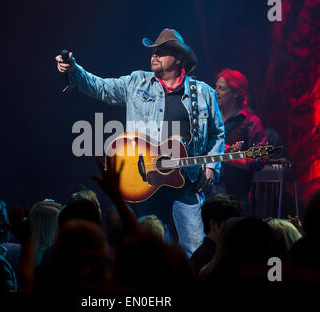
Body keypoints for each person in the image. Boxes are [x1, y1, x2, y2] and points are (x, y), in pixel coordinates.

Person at [56, 28, 225, 257]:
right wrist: (73, 70)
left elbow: (217, 134)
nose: (154, 55)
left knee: (194, 249)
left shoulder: (203, 93)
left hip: (188, 181)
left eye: (161, 52)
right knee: (149, 251)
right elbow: (101, 87)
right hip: (147, 180)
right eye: (153, 51)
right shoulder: (137, 82)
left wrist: (210, 166)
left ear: (179, 59)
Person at [213, 69, 266, 212]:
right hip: (207, 192)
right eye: (216, 87)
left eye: (221, 88)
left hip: (234, 198)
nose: (215, 91)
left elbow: (258, 160)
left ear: (236, 93)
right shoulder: (211, 120)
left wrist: (228, 157)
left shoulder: (251, 123)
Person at [189, 194, 242, 277]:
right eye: (232, 223)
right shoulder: (206, 260)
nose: (238, 229)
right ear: (214, 225)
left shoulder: (221, 253)